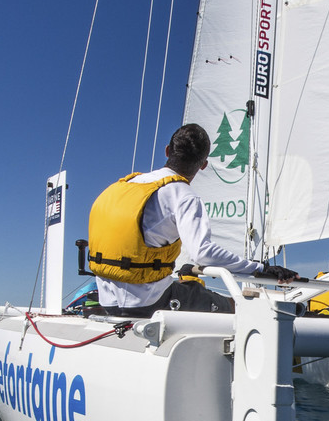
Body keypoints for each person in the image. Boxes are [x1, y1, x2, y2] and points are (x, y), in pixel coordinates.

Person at [86, 123, 298, 317]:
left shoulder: (126, 184)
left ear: (168, 151)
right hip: (149, 302)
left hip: (107, 300)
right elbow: (203, 253)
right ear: (204, 165)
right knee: (235, 306)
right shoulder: (183, 195)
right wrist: (258, 268)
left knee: (190, 287)